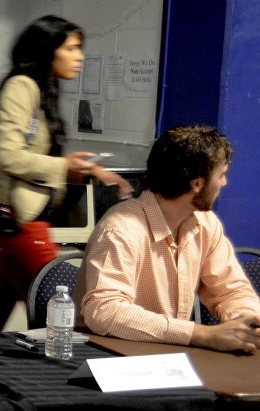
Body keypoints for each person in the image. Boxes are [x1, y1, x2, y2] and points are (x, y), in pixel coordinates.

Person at [0, 15, 131, 330]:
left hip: (7, 227)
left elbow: (25, 155)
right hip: (19, 226)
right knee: (62, 318)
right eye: (71, 48)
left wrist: (84, 171)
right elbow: (7, 154)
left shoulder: (40, 89)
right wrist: (62, 166)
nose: (79, 57)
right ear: (48, 50)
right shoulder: (22, 86)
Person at [75, 124, 260, 352]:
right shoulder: (121, 229)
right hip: (106, 355)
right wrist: (201, 335)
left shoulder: (206, 224)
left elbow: (231, 290)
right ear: (197, 183)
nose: (224, 183)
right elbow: (104, 311)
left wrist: (247, 322)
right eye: (220, 175)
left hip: (166, 354)